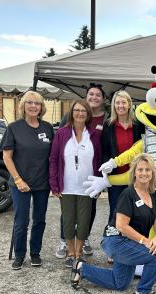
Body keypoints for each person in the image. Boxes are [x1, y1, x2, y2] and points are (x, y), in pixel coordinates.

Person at [71, 154, 156, 294]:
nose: (144, 173)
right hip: (116, 240)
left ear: (152, 173)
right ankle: (143, 292)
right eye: (140, 169)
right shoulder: (128, 194)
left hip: (131, 242)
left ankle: (82, 268)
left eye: (148, 170)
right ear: (134, 172)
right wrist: (146, 241)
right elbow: (121, 226)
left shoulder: (153, 194)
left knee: (119, 283)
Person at [1, 91, 54, 270]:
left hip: (42, 183)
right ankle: (20, 255)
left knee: (39, 219)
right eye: (29, 103)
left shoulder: (47, 128)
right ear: (23, 106)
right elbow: (7, 157)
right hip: (20, 183)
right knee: (21, 220)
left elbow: (53, 157)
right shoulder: (14, 128)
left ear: (41, 107)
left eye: (37, 103)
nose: (33, 106)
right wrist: (17, 179)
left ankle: (35, 253)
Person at [55, 83, 107, 259]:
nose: (80, 113)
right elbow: (54, 158)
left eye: (83, 111)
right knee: (68, 220)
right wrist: (54, 184)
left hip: (88, 184)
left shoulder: (97, 130)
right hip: (67, 185)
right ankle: (69, 249)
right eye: (77, 110)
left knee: (85, 220)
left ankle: (79, 250)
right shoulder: (62, 132)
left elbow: (99, 159)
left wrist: (99, 183)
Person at [103, 90, 145, 226]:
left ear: (129, 105)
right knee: (116, 210)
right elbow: (104, 150)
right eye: (117, 102)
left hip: (136, 177)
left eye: (123, 102)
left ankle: (135, 242)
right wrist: (107, 169)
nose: (120, 105)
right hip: (116, 177)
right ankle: (114, 242)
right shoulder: (108, 125)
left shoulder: (139, 126)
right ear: (113, 105)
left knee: (137, 211)